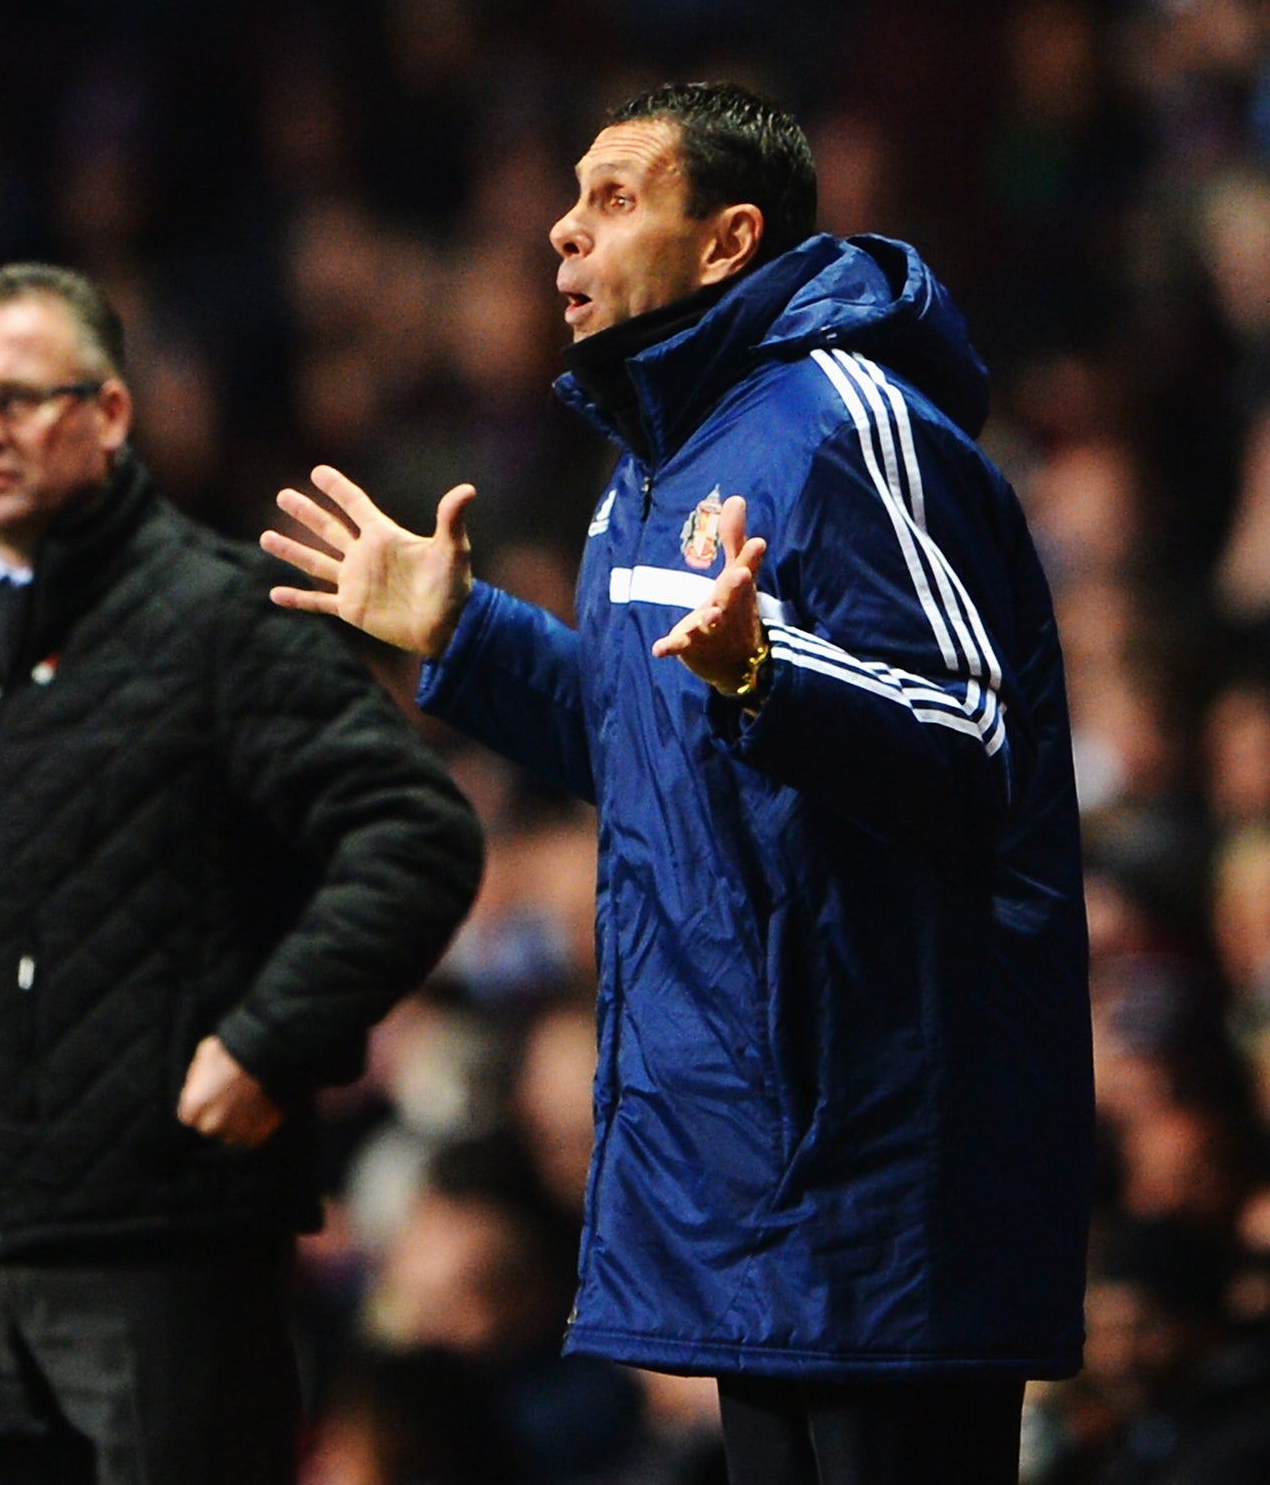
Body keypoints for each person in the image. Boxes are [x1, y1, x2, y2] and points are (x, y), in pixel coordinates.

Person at [262, 82, 1092, 1485]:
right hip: (747, 1175)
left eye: (613, 198)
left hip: (887, 1181)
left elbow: (975, 744)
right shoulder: (651, 468)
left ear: (730, 240)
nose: (561, 233)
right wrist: (466, 636)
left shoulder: (850, 421)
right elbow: (651, 756)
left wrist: (776, 674)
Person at [0, 262, 484, 1484]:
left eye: (19, 396)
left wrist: (272, 1039)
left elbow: (415, 831)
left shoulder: (221, 620)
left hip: (168, 1252)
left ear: (109, 415)